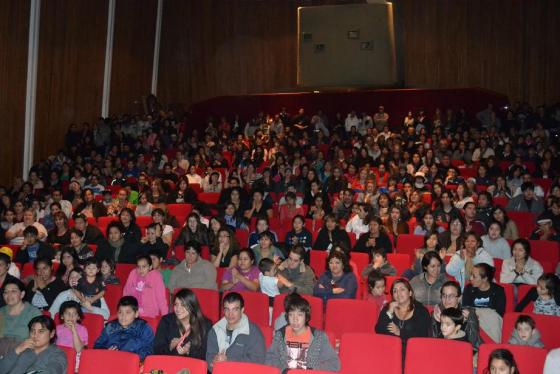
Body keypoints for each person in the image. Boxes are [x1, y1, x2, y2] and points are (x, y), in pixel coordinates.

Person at [266, 295, 340, 372]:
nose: (295, 319)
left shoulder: (319, 337)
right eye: (291, 315)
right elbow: (269, 359)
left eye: (300, 315)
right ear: (287, 317)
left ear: (306, 317)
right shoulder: (280, 335)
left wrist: (311, 370)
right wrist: (284, 370)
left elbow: (334, 364)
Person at [206, 292, 266, 371]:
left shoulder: (253, 331)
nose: (230, 314)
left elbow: (258, 361)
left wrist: (228, 361)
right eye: (227, 309)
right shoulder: (215, 330)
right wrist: (214, 361)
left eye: (235, 309)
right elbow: (209, 357)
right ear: (223, 310)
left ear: (242, 310)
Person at [153, 288, 212, 359]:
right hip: (170, 365)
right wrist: (170, 347)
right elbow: (156, 350)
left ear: (192, 306)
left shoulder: (205, 325)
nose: (178, 309)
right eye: (176, 304)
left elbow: (207, 355)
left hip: (193, 367)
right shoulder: (166, 321)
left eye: (183, 305)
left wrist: (189, 351)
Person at [375, 278, 431, 353]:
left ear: (410, 293)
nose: (398, 293)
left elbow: (423, 334)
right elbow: (379, 330)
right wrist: (390, 312)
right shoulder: (388, 308)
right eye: (395, 291)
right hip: (390, 350)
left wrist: (400, 332)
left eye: (402, 289)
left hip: (414, 351)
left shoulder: (421, 311)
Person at [0, 315, 67, 374]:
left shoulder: (58, 354)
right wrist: (17, 350)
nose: (35, 335)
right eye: (32, 331)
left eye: (41, 331)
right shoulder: (22, 348)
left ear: (52, 333)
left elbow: (52, 371)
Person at [431, 281, 482, 349]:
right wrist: (439, 322)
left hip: (463, 351)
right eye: (444, 295)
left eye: (451, 296)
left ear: (459, 298)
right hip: (442, 350)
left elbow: (474, 342)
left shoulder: (468, 314)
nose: (447, 299)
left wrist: (471, 320)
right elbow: (432, 342)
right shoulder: (436, 313)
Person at [0, 278, 42, 355]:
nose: (9, 295)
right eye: (6, 292)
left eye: (13, 291)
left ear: (22, 294)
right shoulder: (1, 312)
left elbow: (38, 341)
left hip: (23, 354)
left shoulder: (33, 313)